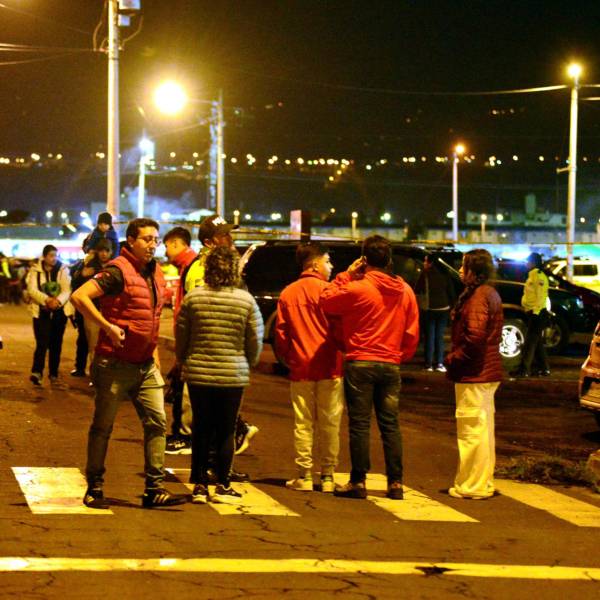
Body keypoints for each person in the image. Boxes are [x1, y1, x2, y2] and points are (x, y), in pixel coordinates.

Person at [71, 218, 186, 509]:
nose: (152, 244)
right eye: (146, 239)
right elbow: (79, 296)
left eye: (155, 239)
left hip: (145, 365)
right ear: (131, 241)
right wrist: (107, 326)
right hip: (114, 363)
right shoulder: (117, 271)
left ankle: (154, 488)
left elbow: (152, 319)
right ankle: (95, 486)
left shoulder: (156, 271)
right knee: (103, 427)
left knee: (157, 423)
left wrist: (155, 358)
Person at [320, 235, 419, 500]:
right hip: (391, 363)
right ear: (389, 259)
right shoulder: (405, 291)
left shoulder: (358, 288)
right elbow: (411, 331)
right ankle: (395, 483)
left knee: (360, 424)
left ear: (364, 260)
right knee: (391, 425)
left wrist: (346, 275)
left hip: (360, 361)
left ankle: (358, 481)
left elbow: (326, 300)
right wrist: (399, 355)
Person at [175, 246, 264, 504]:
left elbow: (182, 334)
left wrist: (183, 359)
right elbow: (254, 339)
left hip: (198, 373)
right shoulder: (245, 300)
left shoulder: (194, 298)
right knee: (226, 429)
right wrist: (249, 361)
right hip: (233, 374)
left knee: (201, 427)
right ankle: (223, 483)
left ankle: (200, 484)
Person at [275, 242, 344, 493]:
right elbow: (341, 329)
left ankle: (303, 475)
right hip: (330, 365)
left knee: (303, 422)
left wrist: (290, 357)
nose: (331, 266)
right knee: (330, 422)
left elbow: (281, 334)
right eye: (327, 261)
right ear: (315, 264)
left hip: (301, 367)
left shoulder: (288, 293)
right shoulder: (330, 292)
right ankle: (327, 475)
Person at [444, 249, 503, 500]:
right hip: (485, 373)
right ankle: (482, 482)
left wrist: (453, 359)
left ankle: (472, 485)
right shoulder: (488, 293)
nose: (460, 270)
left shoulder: (478, 297)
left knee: (472, 432)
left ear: (474, 271)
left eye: (464, 266)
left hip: (474, 373)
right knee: (482, 430)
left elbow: (475, 338)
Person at [26, 244, 74, 386]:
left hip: (59, 312)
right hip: (40, 312)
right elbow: (32, 289)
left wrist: (57, 301)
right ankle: (37, 372)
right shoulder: (35, 270)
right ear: (44, 256)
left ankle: (53, 373)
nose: (54, 258)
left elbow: (67, 289)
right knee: (42, 342)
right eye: (51, 256)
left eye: (55, 255)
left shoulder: (63, 270)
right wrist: (47, 300)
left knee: (56, 343)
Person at [69, 239, 113, 376]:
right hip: (91, 310)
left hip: (109, 311)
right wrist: (81, 274)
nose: (104, 254)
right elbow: (74, 284)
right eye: (101, 250)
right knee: (91, 342)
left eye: (107, 250)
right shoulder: (89, 265)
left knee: (109, 343)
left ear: (111, 252)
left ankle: (105, 373)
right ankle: (92, 373)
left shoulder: (114, 267)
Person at [415, 254, 456, 372]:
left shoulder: (425, 274)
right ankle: (439, 363)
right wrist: (452, 306)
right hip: (444, 308)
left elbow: (417, 289)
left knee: (430, 336)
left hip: (430, 309)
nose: (424, 263)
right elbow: (451, 292)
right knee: (439, 336)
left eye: (426, 261)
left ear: (431, 263)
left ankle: (428, 364)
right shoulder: (445, 274)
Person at [512, 252, 550, 378]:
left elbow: (540, 296)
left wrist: (535, 313)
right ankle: (544, 369)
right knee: (536, 343)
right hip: (533, 313)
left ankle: (523, 370)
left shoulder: (539, 276)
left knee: (529, 343)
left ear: (533, 262)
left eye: (528, 261)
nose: (526, 263)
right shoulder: (532, 275)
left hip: (537, 313)